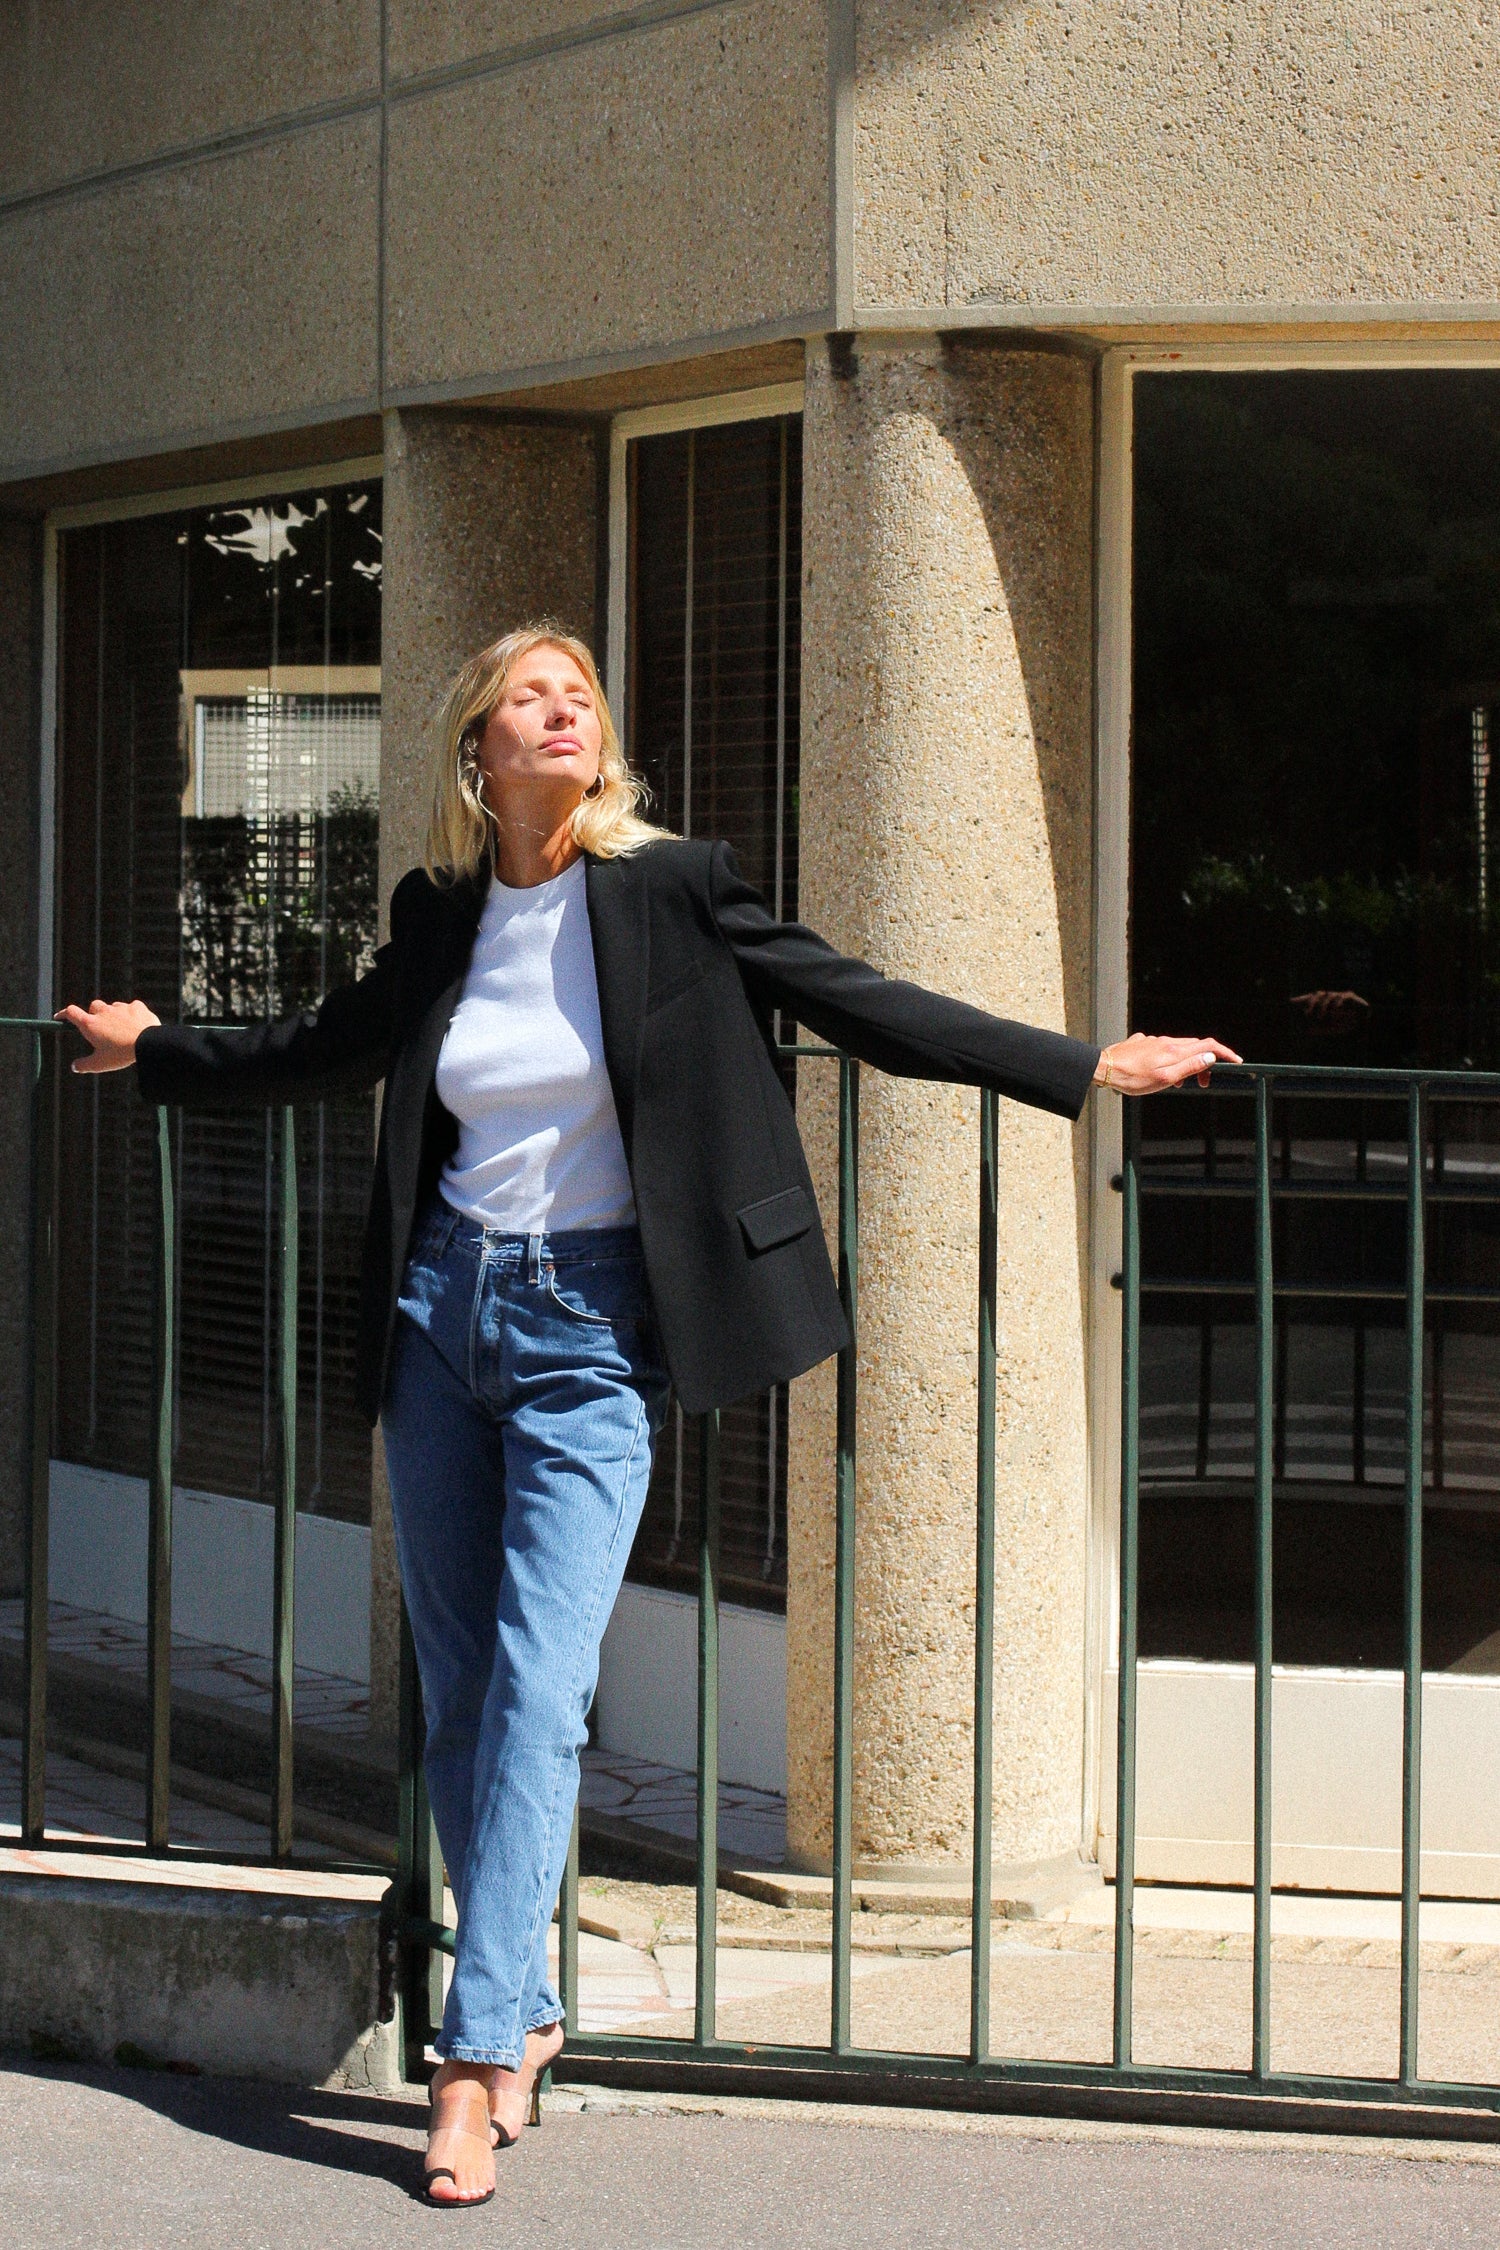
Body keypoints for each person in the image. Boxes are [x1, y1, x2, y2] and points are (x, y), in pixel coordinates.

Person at [59, 624, 1239, 2204]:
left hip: (595, 1329)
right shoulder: (443, 913)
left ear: (595, 750)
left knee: (544, 1691)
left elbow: (860, 999)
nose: (565, 711)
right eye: (531, 697)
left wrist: (1086, 1060)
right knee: (469, 1694)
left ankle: (475, 2066)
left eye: (582, 696)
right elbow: (331, 1048)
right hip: (439, 1319)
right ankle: (530, 2003)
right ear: (479, 750)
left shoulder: (675, 887)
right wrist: (160, 1055)